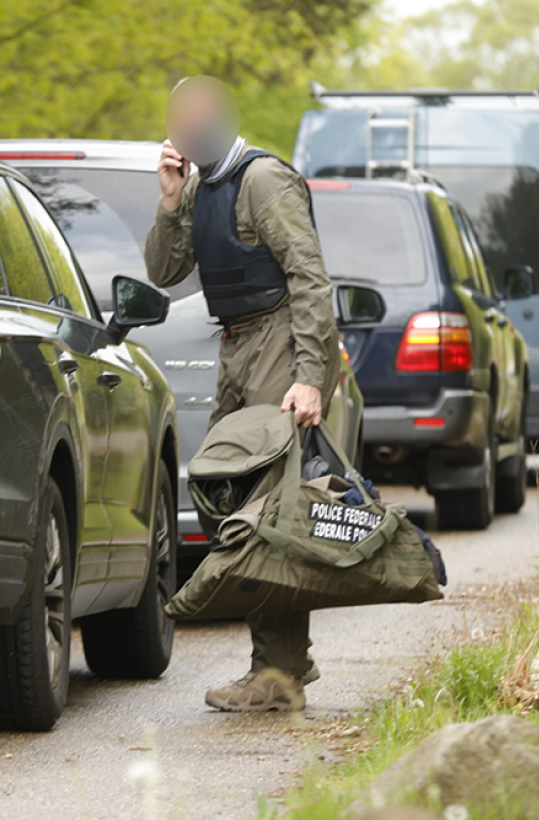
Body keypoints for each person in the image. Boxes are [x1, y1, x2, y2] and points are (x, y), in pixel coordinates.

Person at [144, 76, 340, 712]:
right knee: (227, 502)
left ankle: (277, 674)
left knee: (267, 511)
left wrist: (310, 376)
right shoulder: (201, 184)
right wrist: (171, 200)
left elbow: (311, 279)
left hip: (278, 346)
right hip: (235, 347)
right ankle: (283, 663)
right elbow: (164, 272)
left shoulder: (264, 180)